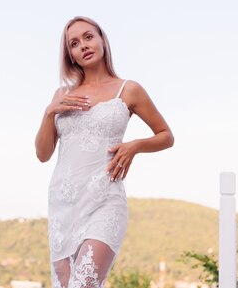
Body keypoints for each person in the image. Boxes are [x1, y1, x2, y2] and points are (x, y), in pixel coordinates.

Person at [35, 16, 175, 288]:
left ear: (102, 40)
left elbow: (166, 135)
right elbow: (42, 154)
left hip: (105, 201)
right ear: (71, 55)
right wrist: (49, 112)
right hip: (64, 206)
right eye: (74, 43)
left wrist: (134, 146)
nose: (83, 46)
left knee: (82, 284)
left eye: (88, 37)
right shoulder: (62, 94)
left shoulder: (128, 89)